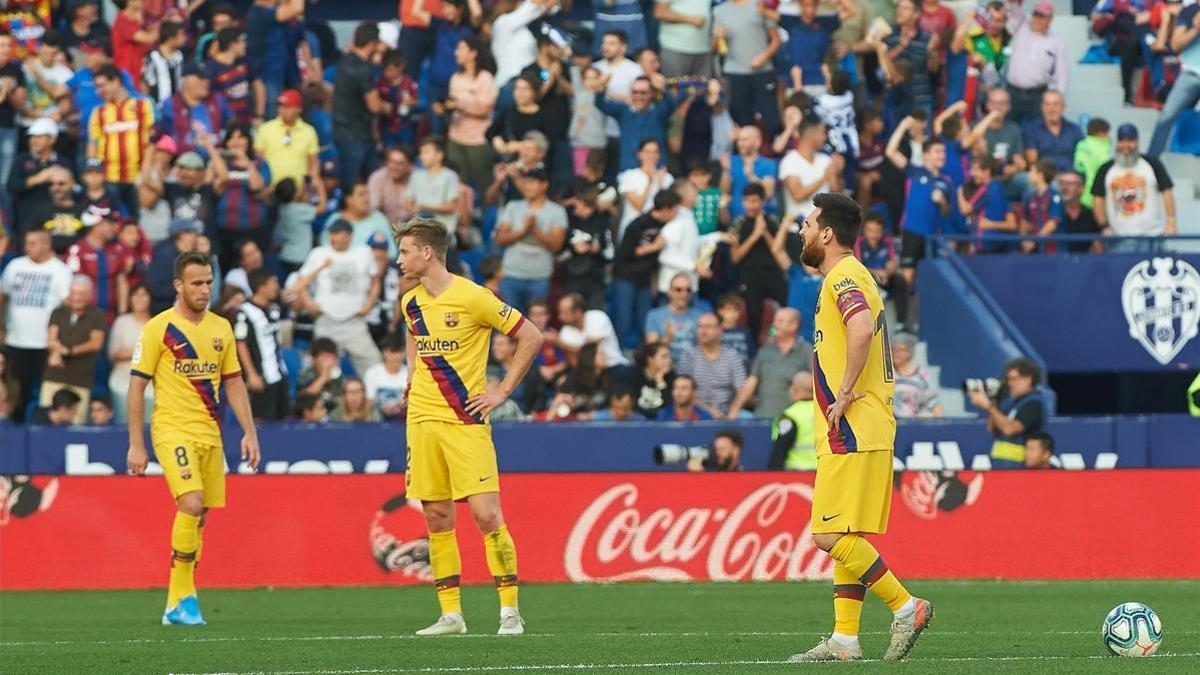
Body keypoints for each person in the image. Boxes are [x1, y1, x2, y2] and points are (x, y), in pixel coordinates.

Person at [788, 192, 930, 662]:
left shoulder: (844, 277)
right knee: (848, 533)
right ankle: (845, 639)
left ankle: (906, 606)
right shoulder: (853, 275)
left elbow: (861, 327)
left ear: (827, 233)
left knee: (827, 536)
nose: (803, 232)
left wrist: (845, 390)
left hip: (850, 425)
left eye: (808, 224)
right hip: (866, 426)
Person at [394, 218, 544, 636]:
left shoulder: (474, 297)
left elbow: (530, 336)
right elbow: (413, 336)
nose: (399, 259)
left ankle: (510, 611)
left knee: (485, 514)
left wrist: (502, 390)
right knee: (437, 516)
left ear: (427, 252)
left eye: (405, 251)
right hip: (422, 420)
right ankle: (451, 616)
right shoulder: (411, 302)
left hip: (465, 420)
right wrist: (412, 373)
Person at [126, 250, 261, 626]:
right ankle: (181, 601)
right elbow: (136, 388)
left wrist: (249, 432)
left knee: (199, 517)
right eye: (196, 283)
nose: (204, 290)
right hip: (172, 430)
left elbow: (234, 382)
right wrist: (136, 443)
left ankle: (179, 602)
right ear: (178, 285)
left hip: (210, 434)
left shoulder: (221, 328)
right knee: (191, 502)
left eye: (208, 283)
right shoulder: (158, 329)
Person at [0, 230, 72, 422]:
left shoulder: (60, 270)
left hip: (44, 343)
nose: (27, 247)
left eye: (33, 243)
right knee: (15, 393)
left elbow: (66, 308)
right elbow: (2, 297)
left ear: (46, 245)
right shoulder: (15, 266)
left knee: (44, 394)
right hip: (16, 340)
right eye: (27, 243)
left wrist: (57, 340)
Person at [296, 219, 382, 376]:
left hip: (354, 322)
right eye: (331, 233)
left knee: (373, 364)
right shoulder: (319, 253)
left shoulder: (364, 252)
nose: (332, 237)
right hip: (326, 320)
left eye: (336, 233)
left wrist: (369, 303)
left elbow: (375, 281)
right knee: (322, 370)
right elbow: (302, 281)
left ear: (348, 236)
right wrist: (308, 302)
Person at [494, 167, 568, 314]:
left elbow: (556, 245)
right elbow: (500, 239)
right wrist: (523, 229)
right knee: (508, 323)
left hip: (539, 277)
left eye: (532, 182)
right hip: (511, 275)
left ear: (544, 185)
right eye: (525, 182)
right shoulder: (513, 207)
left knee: (536, 324)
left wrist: (535, 230)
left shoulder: (557, 211)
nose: (527, 186)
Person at [1091, 124, 1177, 250]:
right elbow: (1098, 200)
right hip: (1118, 238)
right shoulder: (1106, 169)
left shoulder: (1152, 164)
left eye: (1130, 140)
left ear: (1137, 142)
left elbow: (1167, 192)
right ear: (1117, 142)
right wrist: (1104, 226)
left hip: (1152, 237)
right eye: (1122, 140)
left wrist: (1171, 220)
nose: (1126, 145)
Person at [612, 189, 677, 350]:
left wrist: (654, 282)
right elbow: (624, 252)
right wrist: (654, 247)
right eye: (674, 209)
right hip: (626, 277)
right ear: (666, 209)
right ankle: (618, 353)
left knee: (645, 321)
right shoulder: (638, 224)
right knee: (623, 320)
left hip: (646, 280)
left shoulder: (668, 226)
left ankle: (644, 357)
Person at [712, 0, 782, 135]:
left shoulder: (760, 5)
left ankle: (773, 151)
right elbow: (714, 48)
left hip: (763, 71)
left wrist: (764, 57)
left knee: (770, 119)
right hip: (734, 72)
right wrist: (717, 38)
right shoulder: (719, 11)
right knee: (740, 119)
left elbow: (776, 40)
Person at [728, 307, 812, 420]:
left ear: (794, 326)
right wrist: (735, 409)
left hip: (792, 421)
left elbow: (816, 384)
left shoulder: (806, 351)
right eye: (775, 320)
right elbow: (751, 383)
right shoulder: (765, 351)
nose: (774, 325)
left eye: (780, 321)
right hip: (762, 419)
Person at [333, 22, 389, 189]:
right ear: (372, 44)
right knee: (359, 184)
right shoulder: (363, 70)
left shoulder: (344, 61)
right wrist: (389, 107)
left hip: (343, 131)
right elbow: (375, 106)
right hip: (358, 136)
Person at [730, 183, 789, 339]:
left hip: (773, 274)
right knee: (753, 315)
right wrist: (755, 235)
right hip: (749, 275)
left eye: (755, 201)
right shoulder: (738, 223)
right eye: (747, 201)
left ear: (762, 201)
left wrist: (765, 233)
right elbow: (735, 257)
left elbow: (779, 251)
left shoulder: (773, 221)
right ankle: (755, 346)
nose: (751, 205)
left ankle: (775, 337)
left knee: (784, 308)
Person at [968, 356, 1046, 468]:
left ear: (1028, 379)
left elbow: (1010, 429)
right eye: (1008, 379)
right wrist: (994, 399)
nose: (1009, 383)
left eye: (1013, 379)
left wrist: (988, 406)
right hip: (1001, 466)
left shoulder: (1033, 404)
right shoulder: (1011, 402)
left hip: (1019, 468)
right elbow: (992, 429)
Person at [234, 269, 288, 421]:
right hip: (262, 377)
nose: (276, 287)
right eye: (273, 283)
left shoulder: (273, 309)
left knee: (281, 421)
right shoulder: (245, 313)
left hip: (279, 374)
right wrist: (251, 374)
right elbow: (241, 344)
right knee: (261, 422)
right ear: (261, 287)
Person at [1147, 1, 1200, 156]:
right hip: (1191, 73)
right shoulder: (1190, 11)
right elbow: (1175, 45)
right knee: (1166, 115)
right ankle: (1152, 162)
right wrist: (1196, 28)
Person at [254, 90, 323, 206]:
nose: (283, 110)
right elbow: (258, 159)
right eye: (281, 106)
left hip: (297, 193)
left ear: (299, 109)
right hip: (270, 190)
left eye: (288, 107)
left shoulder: (308, 131)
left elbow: (313, 163)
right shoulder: (265, 129)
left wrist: (308, 187)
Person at [1004, 2, 1068, 123]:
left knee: (1036, 132)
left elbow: (1062, 75)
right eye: (1035, 15)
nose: (1037, 19)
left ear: (1050, 19)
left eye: (1042, 16)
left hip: (1038, 95)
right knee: (1010, 127)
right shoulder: (1021, 26)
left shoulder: (1056, 43)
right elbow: (1013, 8)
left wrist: (1058, 100)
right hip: (1012, 92)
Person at [677, 313, 747, 417]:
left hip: (727, 411)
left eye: (708, 327)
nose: (702, 331)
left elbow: (742, 389)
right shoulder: (689, 355)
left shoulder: (731, 355)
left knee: (747, 417)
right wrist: (709, 411)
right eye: (699, 326)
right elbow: (683, 390)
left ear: (720, 330)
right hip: (696, 411)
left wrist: (734, 409)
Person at [108, 283, 154, 423]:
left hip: (151, 388)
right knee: (124, 429)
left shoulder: (157, 324)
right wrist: (143, 352)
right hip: (122, 384)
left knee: (149, 431)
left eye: (143, 295)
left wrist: (133, 352)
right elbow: (115, 353)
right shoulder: (122, 322)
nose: (139, 299)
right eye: (136, 295)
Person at [645, 272, 706, 360]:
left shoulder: (700, 316)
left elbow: (707, 349)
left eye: (688, 290)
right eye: (678, 289)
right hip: (666, 363)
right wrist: (668, 336)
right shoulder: (654, 315)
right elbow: (651, 351)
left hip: (693, 363)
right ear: (669, 292)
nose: (684, 294)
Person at [1021, 91, 1082, 174]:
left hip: (1070, 177)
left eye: (1055, 104)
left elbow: (1082, 159)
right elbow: (1032, 161)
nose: (1051, 109)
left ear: (1063, 107)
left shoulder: (1074, 130)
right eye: (1047, 104)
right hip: (1044, 176)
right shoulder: (1032, 129)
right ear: (1042, 107)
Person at [768, 371, 817, 470]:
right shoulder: (824, 411)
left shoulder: (790, 416)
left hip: (796, 474)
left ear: (795, 390)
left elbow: (780, 449)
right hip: (822, 472)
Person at [655, 0, 713, 78]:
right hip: (676, 49)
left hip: (704, 49)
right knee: (675, 87)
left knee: (702, 88)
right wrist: (689, 19)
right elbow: (659, 12)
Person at [891, 332, 942, 418]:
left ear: (910, 352)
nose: (896, 353)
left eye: (901, 350)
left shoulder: (921, 374)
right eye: (893, 349)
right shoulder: (886, 373)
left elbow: (934, 403)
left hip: (913, 425)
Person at [364, 332, 409, 421]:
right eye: (393, 352)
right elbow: (369, 401)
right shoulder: (372, 373)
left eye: (400, 352)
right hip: (376, 421)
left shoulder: (409, 373)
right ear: (384, 352)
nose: (397, 356)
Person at [368, 146, 415, 226]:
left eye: (399, 163)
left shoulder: (417, 177)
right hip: (385, 228)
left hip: (415, 228)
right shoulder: (378, 177)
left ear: (410, 166)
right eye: (391, 162)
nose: (394, 167)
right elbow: (373, 209)